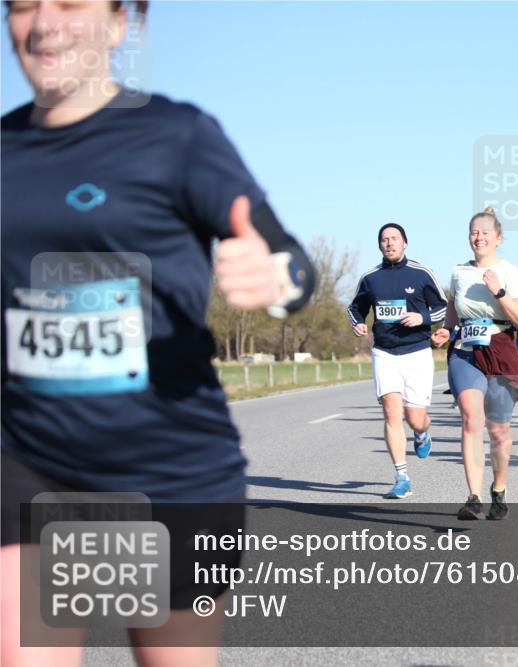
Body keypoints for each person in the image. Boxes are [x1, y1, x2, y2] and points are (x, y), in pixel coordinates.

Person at [1, 1, 316, 663]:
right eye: (22, 4)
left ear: (121, 23)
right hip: (30, 462)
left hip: (170, 470)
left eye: (69, 4)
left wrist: (276, 280)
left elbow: (290, 259)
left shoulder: (178, 136)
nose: (43, 22)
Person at [431, 208, 518, 520]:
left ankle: (498, 490)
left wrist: (499, 292)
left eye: (485, 233)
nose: (478, 238)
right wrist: (446, 330)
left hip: (501, 348)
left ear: (499, 239)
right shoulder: (459, 272)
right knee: (471, 419)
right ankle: (474, 496)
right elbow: (453, 309)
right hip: (465, 350)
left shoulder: (510, 272)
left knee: (499, 430)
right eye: (474, 232)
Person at [348, 223, 447, 499]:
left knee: (415, 418)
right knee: (392, 412)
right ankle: (402, 477)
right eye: (384, 240)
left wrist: (423, 318)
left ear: (405, 243)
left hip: (416, 352)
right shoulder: (370, 278)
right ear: (379, 245)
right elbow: (355, 308)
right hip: (385, 352)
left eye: (394, 239)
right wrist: (358, 324)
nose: (389, 243)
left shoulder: (421, 272)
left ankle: (422, 432)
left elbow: (442, 306)